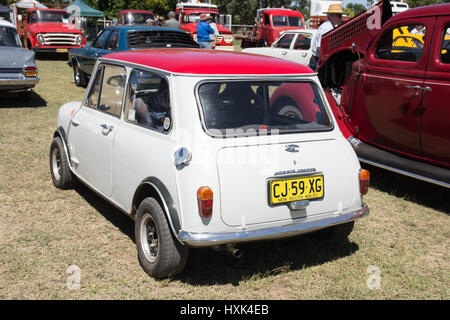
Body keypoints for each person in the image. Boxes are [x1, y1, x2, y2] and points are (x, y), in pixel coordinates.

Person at [309, 4, 343, 71]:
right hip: (318, 61)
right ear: (332, 16)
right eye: (339, 15)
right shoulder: (327, 28)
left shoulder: (328, 26)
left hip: (317, 60)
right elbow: (319, 47)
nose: (341, 18)